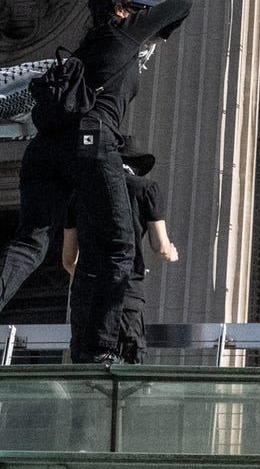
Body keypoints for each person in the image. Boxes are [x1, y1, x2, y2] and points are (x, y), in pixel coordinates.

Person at [0, 0, 192, 365]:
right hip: (90, 144)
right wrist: (146, 16)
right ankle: (100, 345)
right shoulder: (123, 36)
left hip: (43, 150)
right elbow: (183, 1)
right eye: (132, 9)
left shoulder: (79, 54)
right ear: (119, 10)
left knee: (30, 241)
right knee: (121, 248)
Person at [59, 150, 180, 363]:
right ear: (134, 166)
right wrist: (172, 252)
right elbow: (160, 246)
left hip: (84, 297)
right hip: (124, 293)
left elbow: (69, 259)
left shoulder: (78, 193)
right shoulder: (144, 188)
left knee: (84, 371)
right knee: (128, 371)